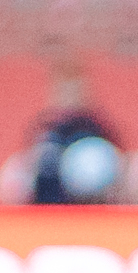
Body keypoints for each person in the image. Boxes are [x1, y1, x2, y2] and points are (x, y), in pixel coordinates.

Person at [21, 71, 124, 204]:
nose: (70, 100)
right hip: (50, 212)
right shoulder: (45, 131)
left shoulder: (98, 129)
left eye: (75, 92)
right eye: (64, 93)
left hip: (94, 212)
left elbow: (118, 167)